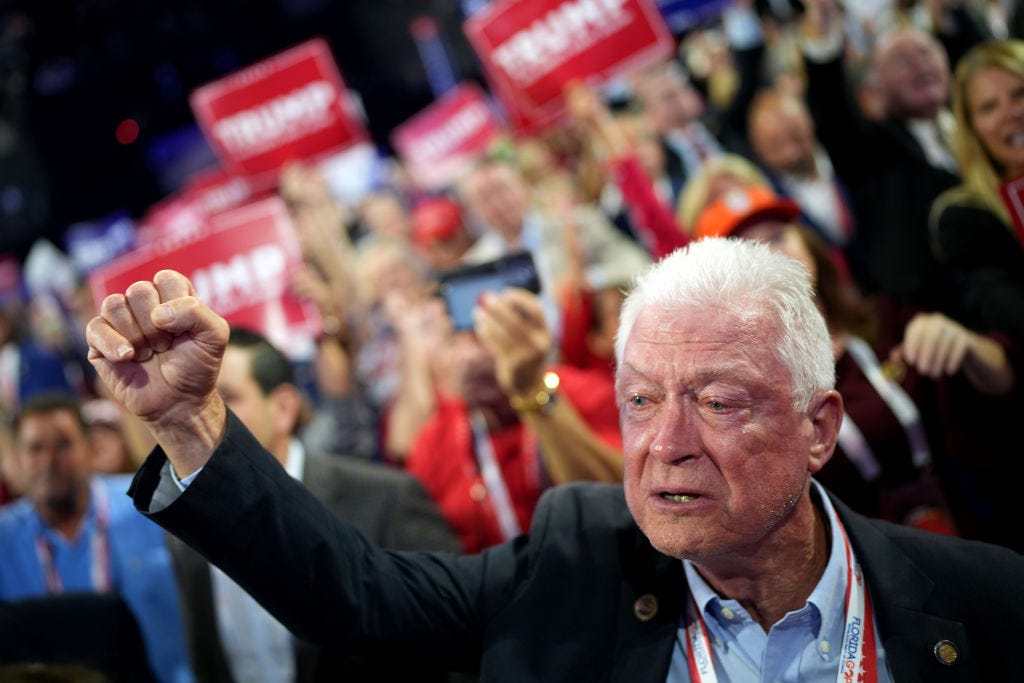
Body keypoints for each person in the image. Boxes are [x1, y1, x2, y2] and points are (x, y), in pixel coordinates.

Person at [86, 244, 1024, 681]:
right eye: (641, 401)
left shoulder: (990, 605)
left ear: (820, 427)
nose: (667, 442)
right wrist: (194, 425)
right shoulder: (576, 561)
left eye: (719, 400)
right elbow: (357, 592)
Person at [168, 327, 462, 683]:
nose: (202, 417)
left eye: (224, 397)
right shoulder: (187, 528)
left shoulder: (386, 499)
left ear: (283, 408)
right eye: (192, 401)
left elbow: (452, 639)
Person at [0, 392, 192, 683]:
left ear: (91, 448)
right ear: (16, 459)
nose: (49, 461)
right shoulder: (5, 538)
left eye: (64, 445)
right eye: (34, 448)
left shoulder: (151, 505)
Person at [930, 38, 1024, 348]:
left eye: (1019, 94)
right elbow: (1003, 311)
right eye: (989, 107)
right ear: (973, 130)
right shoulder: (962, 219)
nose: (1012, 112)